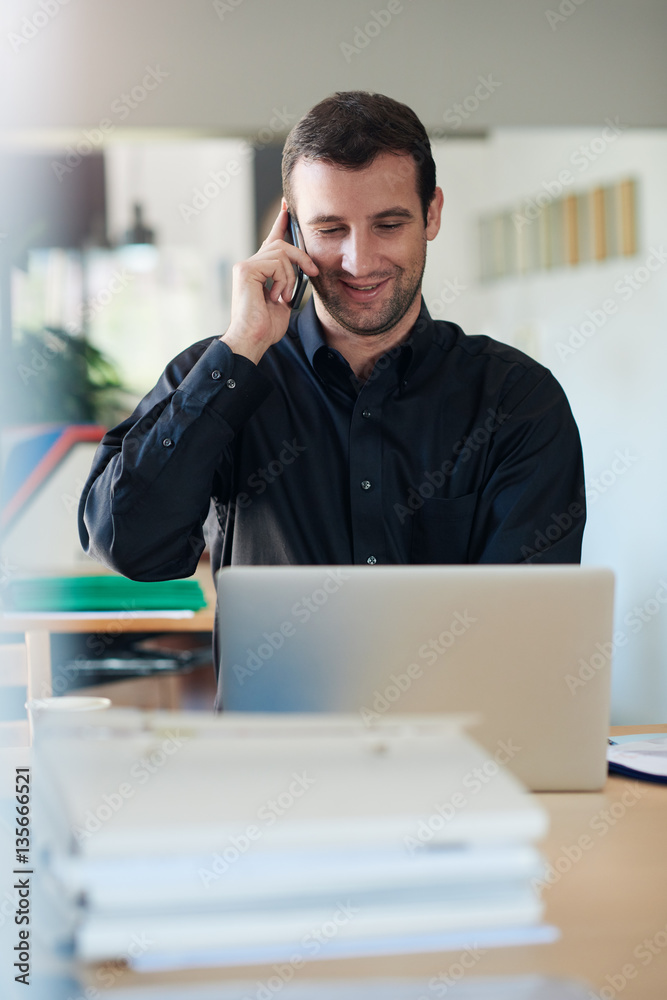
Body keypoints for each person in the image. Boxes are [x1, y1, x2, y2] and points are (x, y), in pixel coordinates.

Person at [79, 91, 585, 601]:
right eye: (330, 228)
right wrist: (241, 348)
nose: (359, 261)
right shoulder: (219, 373)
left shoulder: (516, 400)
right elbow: (128, 544)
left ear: (431, 214)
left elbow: (525, 620)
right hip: (271, 685)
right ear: (293, 228)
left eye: (388, 225)